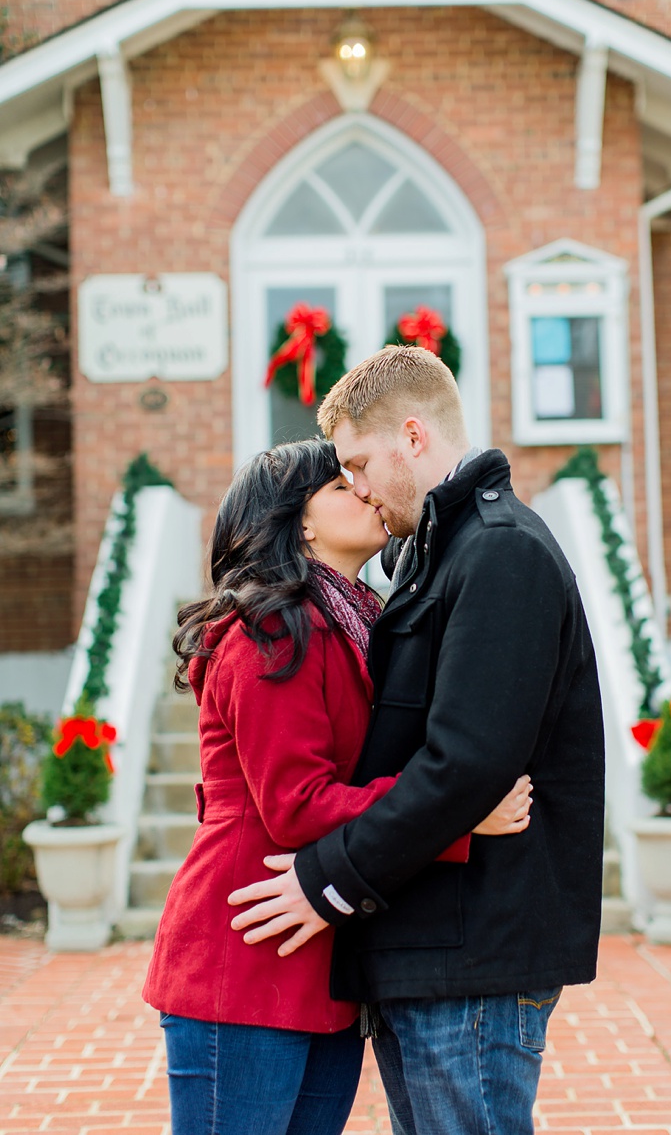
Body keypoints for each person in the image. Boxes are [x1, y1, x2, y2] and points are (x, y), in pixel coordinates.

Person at [226, 345, 606, 1135]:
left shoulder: (499, 549)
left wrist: (324, 881)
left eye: (359, 464)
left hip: (471, 954)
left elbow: (464, 765)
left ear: (412, 436)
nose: (357, 487)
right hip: (434, 951)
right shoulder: (441, 551)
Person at [143, 439, 533, 1135]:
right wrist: (455, 816)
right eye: (342, 485)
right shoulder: (272, 631)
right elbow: (296, 806)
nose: (367, 491)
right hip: (243, 957)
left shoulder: (351, 622)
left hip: (321, 962)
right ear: (302, 523)